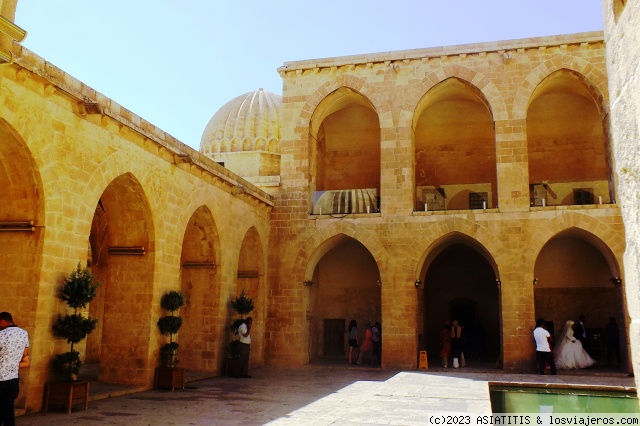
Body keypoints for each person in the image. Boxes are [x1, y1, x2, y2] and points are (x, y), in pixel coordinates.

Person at [0, 312, 30, 426]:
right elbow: (25, 354)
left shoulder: (1, 335)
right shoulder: (24, 333)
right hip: (13, 379)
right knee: (8, 409)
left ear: (2, 321)